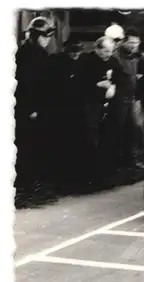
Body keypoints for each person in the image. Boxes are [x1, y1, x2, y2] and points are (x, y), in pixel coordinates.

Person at [14, 16, 55, 186]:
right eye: (44, 36)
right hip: (29, 107)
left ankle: (36, 177)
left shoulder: (41, 53)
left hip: (42, 105)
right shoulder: (25, 54)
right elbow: (25, 84)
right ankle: (27, 179)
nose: (47, 40)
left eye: (49, 36)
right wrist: (32, 108)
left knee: (39, 141)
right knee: (27, 142)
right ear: (34, 35)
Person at [78, 36, 121, 184]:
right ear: (97, 49)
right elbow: (79, 83)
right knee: (90, 137)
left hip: (108, 106)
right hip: (90, 104)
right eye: (105, 51)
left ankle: (105, 173)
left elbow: (121, 78)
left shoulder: (113, 62)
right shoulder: (86, 61)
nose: (108, 54)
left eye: (111, 51)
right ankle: (89, 174)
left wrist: (114, 86)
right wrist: (97, 85)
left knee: (107, 138)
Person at [46, 38, 87, 184]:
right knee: (60, 140)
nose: (75, 54)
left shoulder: (82, 62)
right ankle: (59, 175)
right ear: (66, 50)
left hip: (76, 107)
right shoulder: (56, 61)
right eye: (72, 52)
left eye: (78, 52)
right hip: (60, 107)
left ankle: (71, 175)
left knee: (74, 141)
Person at [110, 27, 144, 170]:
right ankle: (118, 163)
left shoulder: (136, 57)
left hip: (131, 97)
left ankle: (130, 161)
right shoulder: (116, 57)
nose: (133, 46)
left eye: (136, 43)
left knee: (133, 128)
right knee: (119, 130)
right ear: (124, 41)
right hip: (118, 99)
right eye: (131, 42)